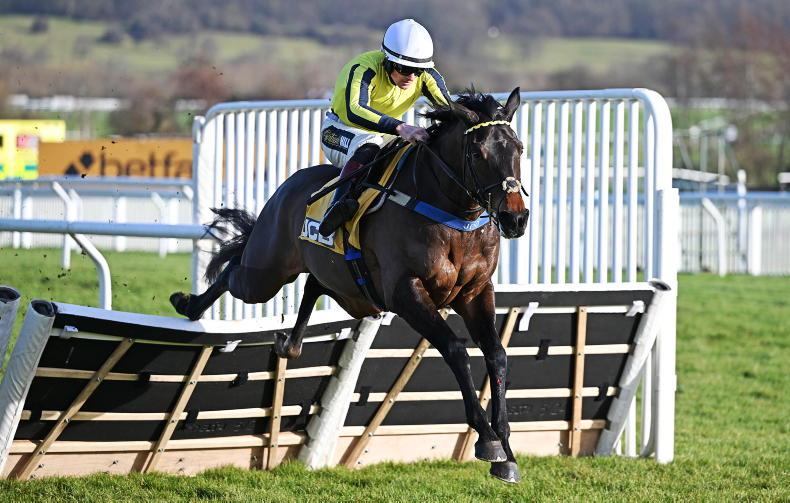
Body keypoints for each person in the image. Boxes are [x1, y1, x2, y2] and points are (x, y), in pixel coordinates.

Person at [318, 18, 452, 237]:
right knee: (369, 146)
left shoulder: (424, 76)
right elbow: (354, 110)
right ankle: (336, 208)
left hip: (382, 137)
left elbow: (451, 109)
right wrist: (400, 127)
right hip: (339, 132)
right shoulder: (363, 68)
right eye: (404, 69)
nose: (411, 77)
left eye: (418, 71)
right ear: (387, 61)